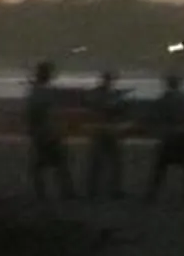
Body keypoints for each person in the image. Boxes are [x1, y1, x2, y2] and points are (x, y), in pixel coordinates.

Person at [145, 70, 184, 201]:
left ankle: (152, 193)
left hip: (170, 136)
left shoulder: (163, 99)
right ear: (179, 84)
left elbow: (155, 116)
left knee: (160, 167)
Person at [24, 60, 74, 200]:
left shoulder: (37, 91)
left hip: (44, 132)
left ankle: (44, 194)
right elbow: (39, 113)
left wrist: (33, 131)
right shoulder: (43, 91)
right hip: (47, 133)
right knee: (57, 164)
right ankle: (65, 192)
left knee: (41, 166)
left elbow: (32, 114)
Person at [83, 68, 130, 201]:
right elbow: (117, 109)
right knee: (113, 162)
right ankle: (113, 189)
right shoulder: (111, 95)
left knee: (98, 162)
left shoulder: (95, 94)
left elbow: (91, 106)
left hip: (100, 129)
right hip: (109, 129)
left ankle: (92, 190)